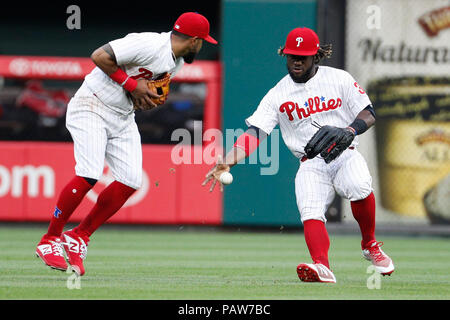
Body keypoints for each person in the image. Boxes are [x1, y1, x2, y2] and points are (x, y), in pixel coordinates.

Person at [203, 27, 394, 283]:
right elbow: (255, 132)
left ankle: (370, 245)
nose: (296, 61)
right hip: (310, 161)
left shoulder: (339, 79)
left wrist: (350, 129)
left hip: (344, 152)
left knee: (359, 185)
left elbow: (368, 112)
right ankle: (322, 267)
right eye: (292, 55)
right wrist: (227, 162)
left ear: (316, 56)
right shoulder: (277, 94)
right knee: (310, 211)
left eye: (302, 56)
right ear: (285, 54)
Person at [35, 12, 218, 276]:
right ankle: (50, 239)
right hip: (92, 104)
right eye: (202, 42)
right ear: (193, 41)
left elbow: (141, 91)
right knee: (89, 173)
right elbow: (99, 56)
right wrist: (132, 85)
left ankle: (79, 236)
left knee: (131, 180)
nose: (201, 47)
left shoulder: (176, 62)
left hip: (122, 117)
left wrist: (145, 96)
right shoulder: (150, 44)